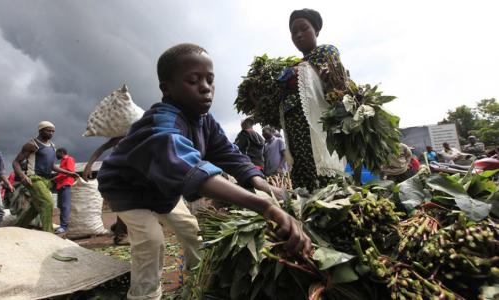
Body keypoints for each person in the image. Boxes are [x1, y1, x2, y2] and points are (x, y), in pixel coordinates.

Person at [97, 43, 312, 300]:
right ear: (167, 88)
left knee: (192, 231)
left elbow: (228, 153)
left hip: (161, 189)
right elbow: (188, 166)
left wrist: (263, 185)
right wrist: (264, 207)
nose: (205, 87)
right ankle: (144, 295)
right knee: (151, 242)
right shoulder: (162, 125)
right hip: (128, 190)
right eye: (193, 80)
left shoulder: (204, 121)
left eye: (210, 80)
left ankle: (196, 282)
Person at [253, 8, 346, 192]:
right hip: (293, 130)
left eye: (304, 28)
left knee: (319, 169)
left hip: (313, 125)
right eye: (294, 32)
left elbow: (335, 87)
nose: (298, 35)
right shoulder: (291, 67)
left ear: (316, 30)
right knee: (301, 172)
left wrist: (330, 78)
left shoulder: (326, 51)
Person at [12, 121, 78, 232]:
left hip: (46, 180)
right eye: (49, 130)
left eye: (53, 131)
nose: (51, 133)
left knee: (36, 208)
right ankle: (49, 232)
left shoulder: (52, 146)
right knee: (48, 203)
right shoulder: (32, 144)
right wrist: (23, 176)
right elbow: (16, 162)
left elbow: (51, 166)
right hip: (34, 178)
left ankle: (17, 228)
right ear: (41, 130)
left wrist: (69, 173)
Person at [82, 136, 129, 245]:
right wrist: (89, 165)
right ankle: (120, 235)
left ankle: (118, 227)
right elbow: (102, 148)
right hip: (119, 173)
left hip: (132, 173)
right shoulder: (120, 137)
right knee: (124, 203)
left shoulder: (140, 135)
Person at [54, 148, 76, 234]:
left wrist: (55, 178)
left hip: (66, 184)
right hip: (61, 185)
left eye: (57, 153)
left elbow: (69, 172)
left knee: (65, 206)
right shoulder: (62, 161)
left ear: (62, 152)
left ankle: (64, 226)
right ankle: (63, 225)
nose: (56, 156)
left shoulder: (69, 159)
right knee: (61, 206)